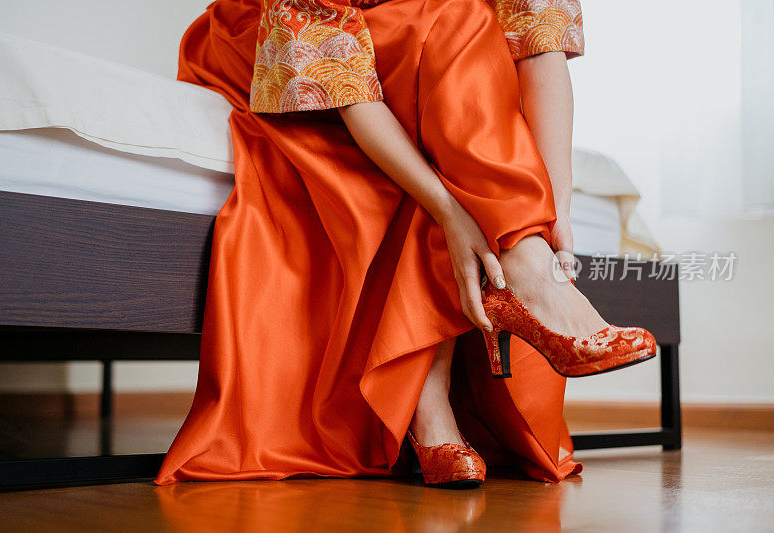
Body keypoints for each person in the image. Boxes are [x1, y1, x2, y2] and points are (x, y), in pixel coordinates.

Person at [153, 0, 656, 489]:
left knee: (463, 26)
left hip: (405, 38)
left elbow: (540, 44)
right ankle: (477, 340)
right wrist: (448, 210)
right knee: (451, 33)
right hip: (273, 42)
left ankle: (516, 275)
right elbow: (337, 73)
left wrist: (552, 215)